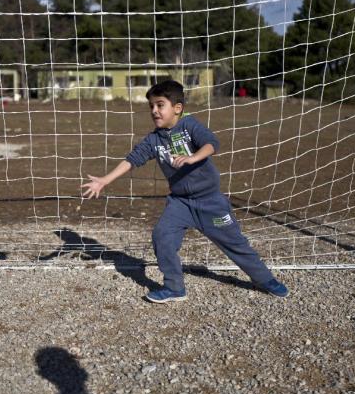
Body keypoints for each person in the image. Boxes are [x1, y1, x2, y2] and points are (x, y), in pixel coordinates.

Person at [81, 79, 288, 303]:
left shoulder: (190, 126)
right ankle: (174, 288)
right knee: (163, 236)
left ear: (177, 108)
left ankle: (266, 280)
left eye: (160, 105)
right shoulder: (153, 140)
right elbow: (132, 160)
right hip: (180, 203)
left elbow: (212, 143)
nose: (154, 111)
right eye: (151, 106)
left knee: (235, 244)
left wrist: (193, 158)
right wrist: (104, 180)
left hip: (210, 202)